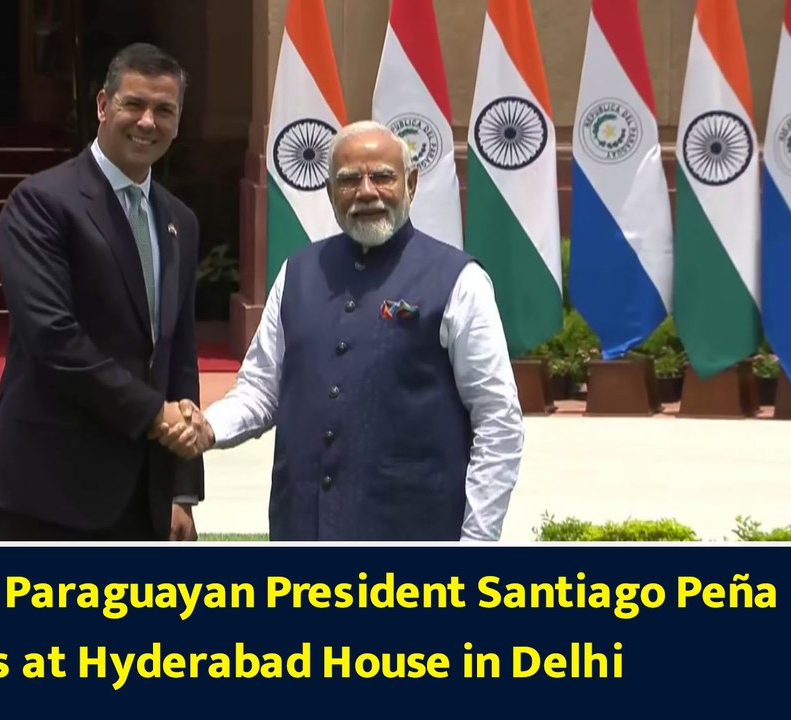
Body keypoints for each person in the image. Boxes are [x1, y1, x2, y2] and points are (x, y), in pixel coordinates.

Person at [160, 120, 524, 541]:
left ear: (412, 183)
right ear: (331, 191)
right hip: (302, 531)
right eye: (349, 180)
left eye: (383, 177)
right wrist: (209, 428)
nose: (366, 192)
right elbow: (260, 390)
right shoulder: (297, 274)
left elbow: (498, 421)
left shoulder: (459, 280)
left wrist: (478, 542)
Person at [0, 42, 205, 541]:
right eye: (134, 104)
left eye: (164, 110)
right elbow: (53, 338)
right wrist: (152, 415)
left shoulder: (179, 222)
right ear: (103, 106)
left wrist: (180, 490)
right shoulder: (41, 203)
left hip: (144, 498)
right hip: (48, 494)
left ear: (178, 121)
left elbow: (178, 357)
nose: (148, 122)